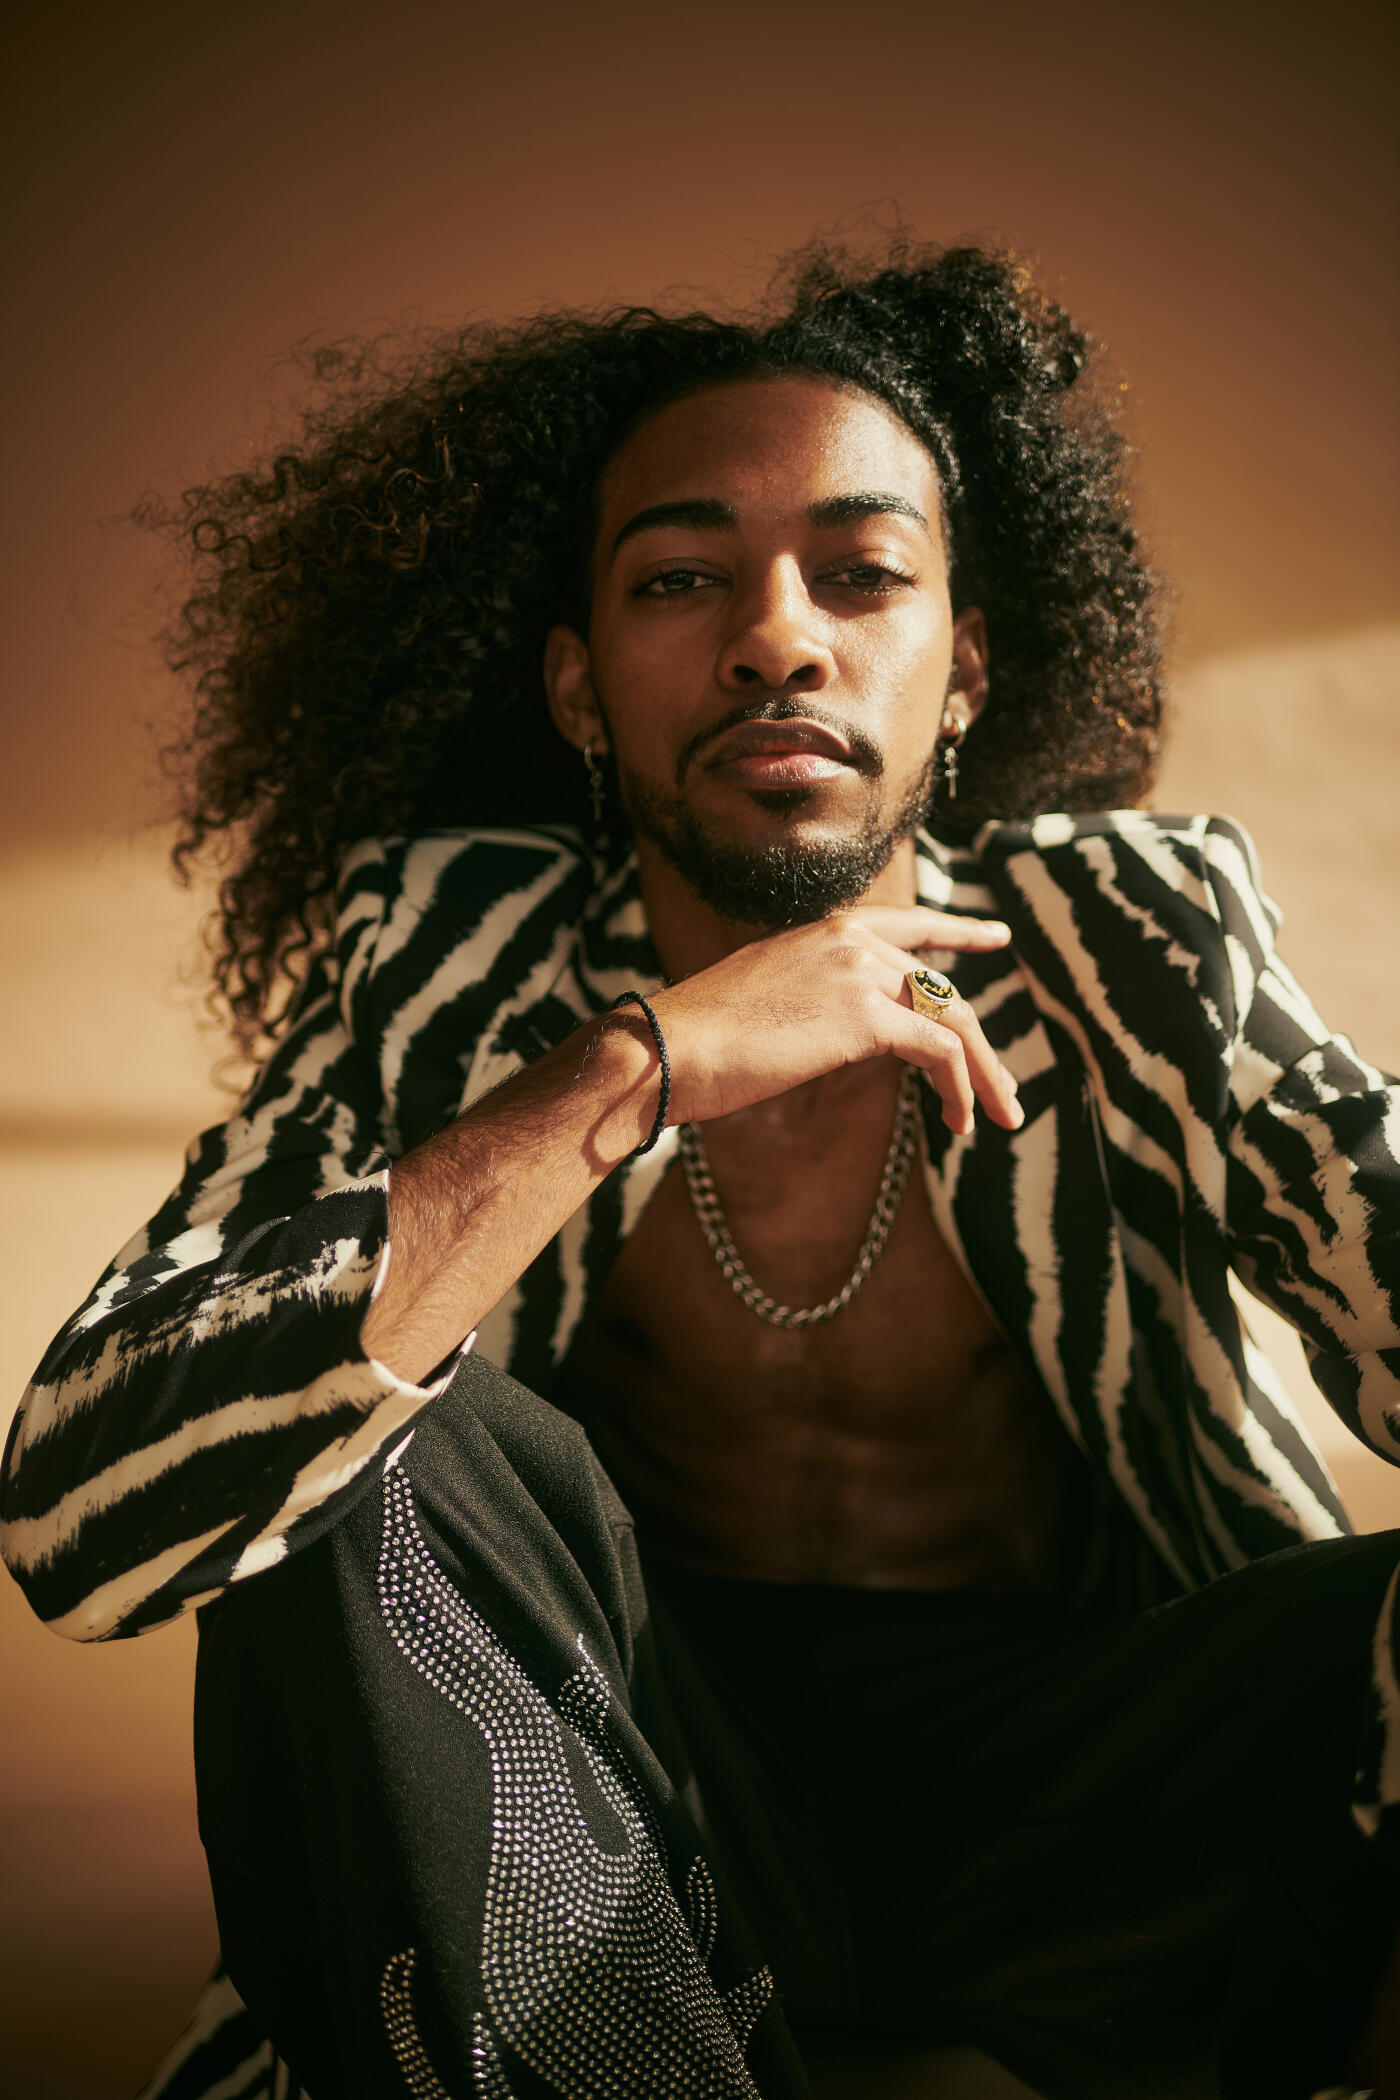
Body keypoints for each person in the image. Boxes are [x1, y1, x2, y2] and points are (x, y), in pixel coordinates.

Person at [3, 236, 1398, 2100]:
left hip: (1089, 1811)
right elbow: (77, 1513)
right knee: (345, 1424)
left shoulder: (1130, 945)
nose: (777, 638)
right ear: (580, 693)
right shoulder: (446, 970)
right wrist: (634, 1067)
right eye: (682, 578)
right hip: (614, 1813)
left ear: (966, 671)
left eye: (863, 573)